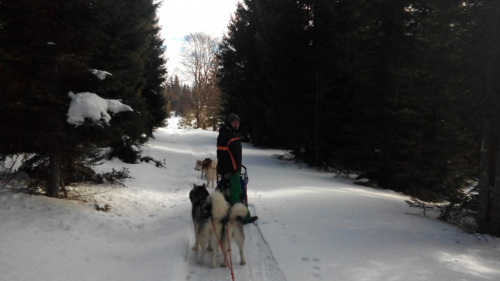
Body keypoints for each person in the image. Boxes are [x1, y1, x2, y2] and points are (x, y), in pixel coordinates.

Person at [217, 114, 258, 224]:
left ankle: (226, 214)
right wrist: (225, 173)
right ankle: (245, 217)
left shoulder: (233, 134)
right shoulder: (225, 135)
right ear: (229, 122)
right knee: (235, 195)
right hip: (230, 171)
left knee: (232, 192)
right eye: (234, 122)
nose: (236, 124)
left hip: (235, 170)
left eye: (238, 122)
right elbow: (221, 156)